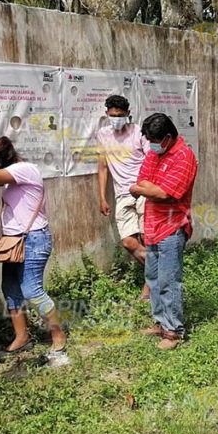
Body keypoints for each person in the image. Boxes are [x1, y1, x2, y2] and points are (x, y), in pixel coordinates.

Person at [0, 137, 69, 364]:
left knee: (32, 290)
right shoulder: (13, 175)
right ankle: (22, 336)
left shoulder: (25, 169)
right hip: (13, 241)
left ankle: (58, 334)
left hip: (33, 239)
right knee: (10, 288)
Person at [130, 113, 198, 350]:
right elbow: (141, 183)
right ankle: (161, 321)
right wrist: (150, 188)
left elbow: (166, 194)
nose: (151, 144)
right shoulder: (153, 154)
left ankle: (174, 332)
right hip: (152, 226)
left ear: (167, 138)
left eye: (154, 139)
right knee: (153, 278)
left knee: (169, 280)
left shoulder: (184, 157)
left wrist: (149, 188)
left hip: (172, 226)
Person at [96, 95, 150, 300]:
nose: (116, 118)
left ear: (127, 114)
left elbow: (150, 161)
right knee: (129, 242)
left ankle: (149, 286)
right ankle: (159, 271)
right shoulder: (103, 134)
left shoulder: (139, 133)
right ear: (107, 114)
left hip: (143, 191)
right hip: (122, 194)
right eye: (112, 115)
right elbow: (102, 167)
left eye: (120, 115)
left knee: (148, 238)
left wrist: (146, 188)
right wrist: (102, 197)